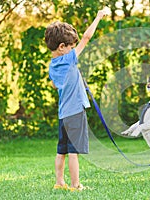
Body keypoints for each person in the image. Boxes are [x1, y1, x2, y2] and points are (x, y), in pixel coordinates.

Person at [45, 10, 107, 191]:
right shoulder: (69, 58)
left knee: (61, 150)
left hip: (63, 114)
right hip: (75, 112)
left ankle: (59, 182)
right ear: (62, 46)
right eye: (72, 46)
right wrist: (98, 17)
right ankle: (75, 185)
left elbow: (55, 86)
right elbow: (87, 37)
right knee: (73, 152)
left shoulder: (52, 66)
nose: (74, 49)